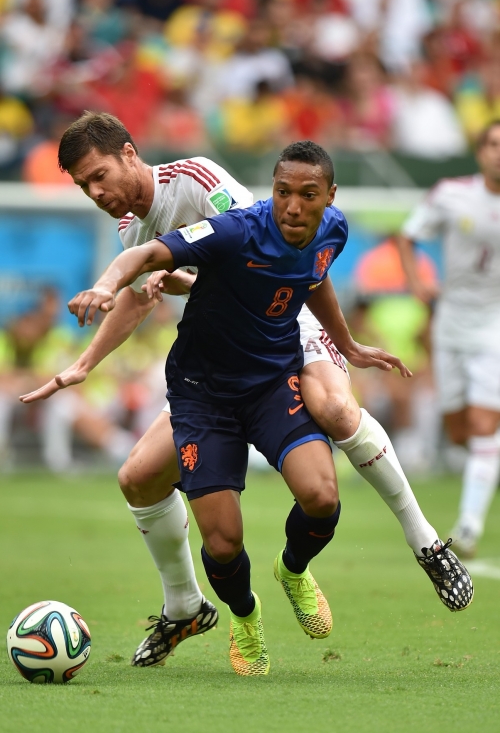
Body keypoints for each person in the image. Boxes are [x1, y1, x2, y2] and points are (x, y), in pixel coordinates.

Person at [21, 114, 471, 671]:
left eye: (99, 176)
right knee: (138, 478)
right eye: (83, 185)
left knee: (334, 410)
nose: (95, 192)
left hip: (286, 326)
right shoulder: (132, 230)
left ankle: (424, 541)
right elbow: (141, 296)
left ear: (129, 154)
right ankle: (186, 606)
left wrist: (345, 342)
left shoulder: (195, 180)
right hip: (217, 363)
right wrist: (84, 364)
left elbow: (275, 253)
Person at [398, 119, 500, 559]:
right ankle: (488, 460)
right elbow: (408, 235)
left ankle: (469, 527)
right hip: (450, 321)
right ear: (480, 151)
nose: (499, 152)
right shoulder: (451, 194)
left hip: (494, 324)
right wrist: (416, 283)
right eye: (493, 144)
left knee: (483, 424)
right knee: (460, 430)